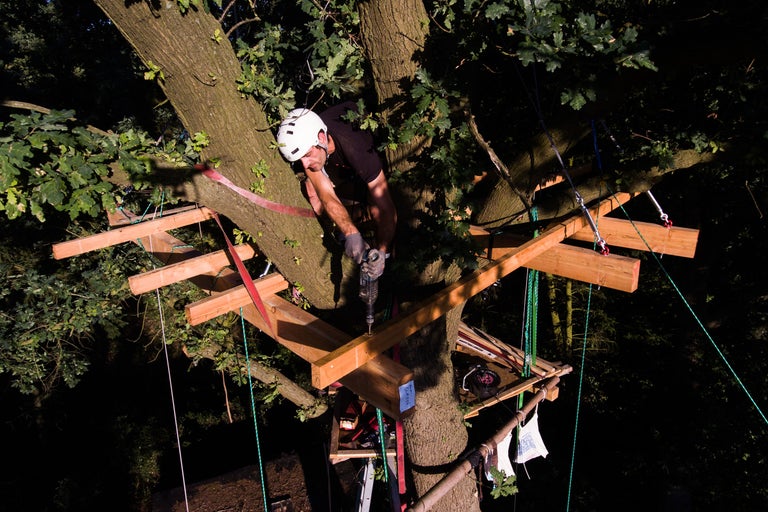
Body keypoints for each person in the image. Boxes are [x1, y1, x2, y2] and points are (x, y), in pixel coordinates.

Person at [277, 102, 397, 279]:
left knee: (375, 207)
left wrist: (383, 252)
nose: (305, 165)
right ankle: (336, 235)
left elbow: (386, 207)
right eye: (299, 160)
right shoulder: (311, 147)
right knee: (312, 192)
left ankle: (385, 260)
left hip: (365, 149)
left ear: (322, 138)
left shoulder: (357, 149)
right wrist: (351, 233)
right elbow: (326, 195)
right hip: (336, 158)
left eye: (308, 155)